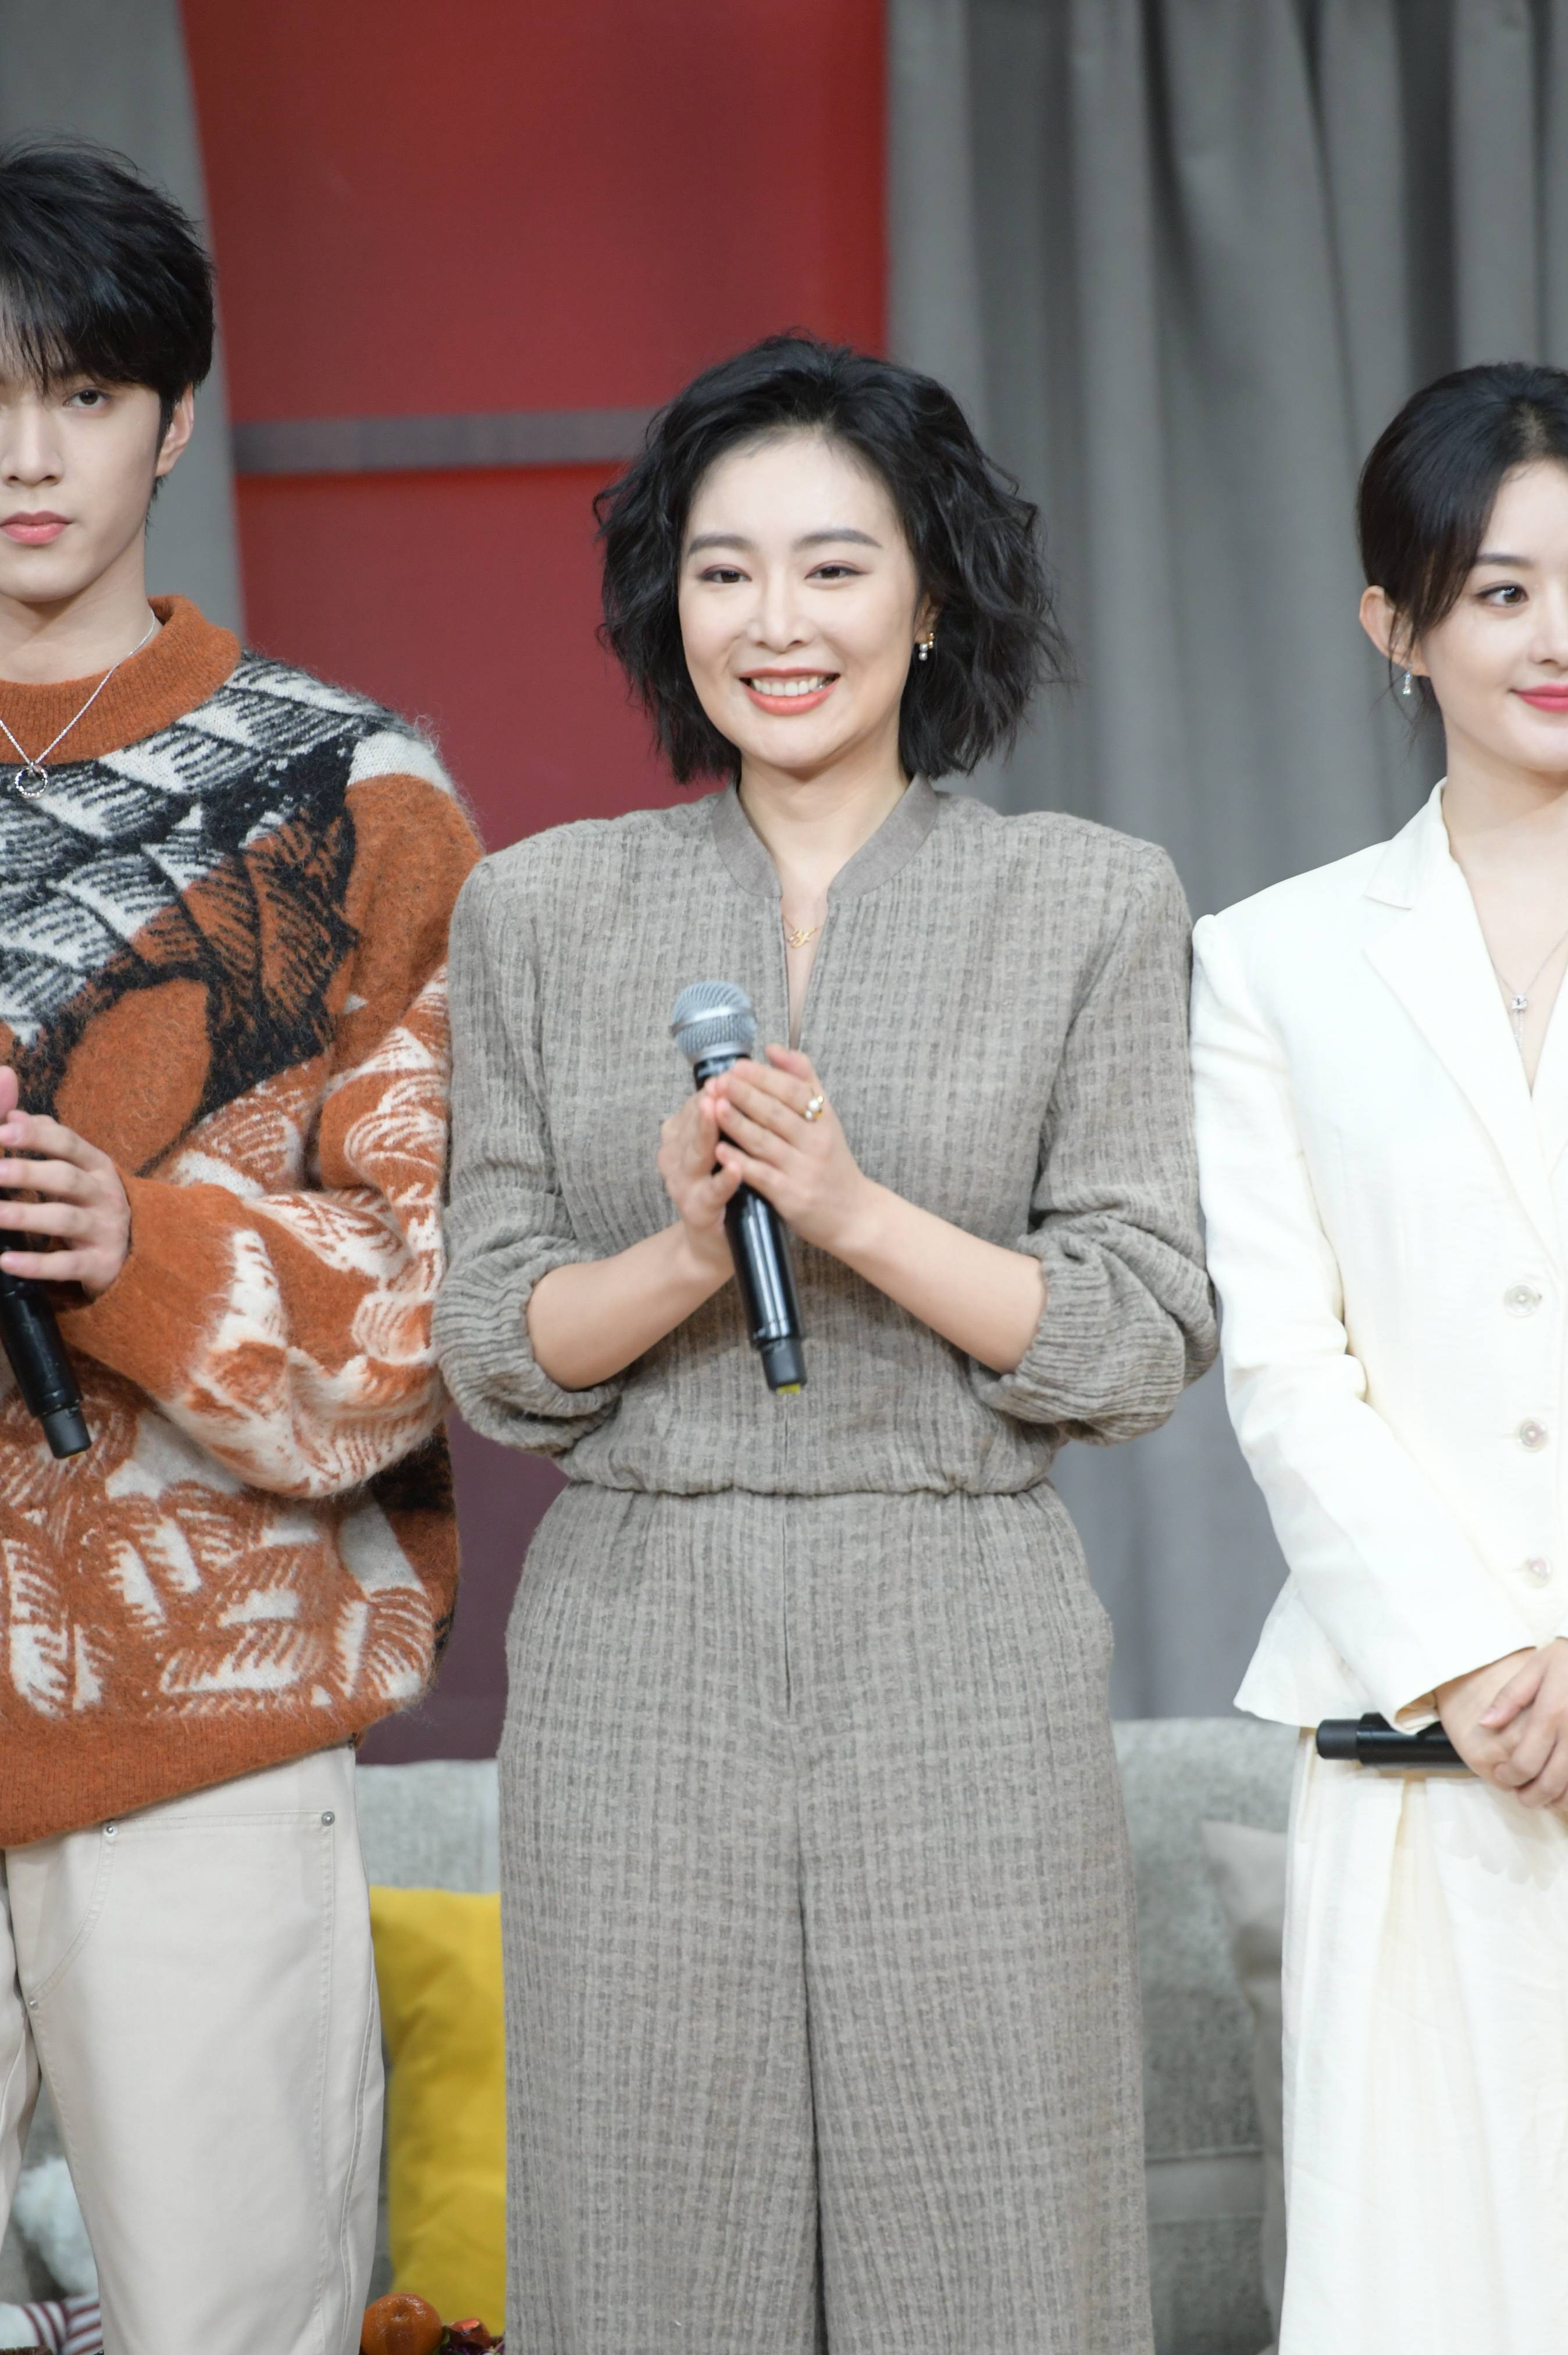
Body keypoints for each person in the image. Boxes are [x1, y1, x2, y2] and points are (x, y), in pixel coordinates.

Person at [435, 333, 1216, 2354]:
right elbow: (495, 1343)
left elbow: (1134, 1335)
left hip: (958, 1626)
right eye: (724, 571)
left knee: (998, 2246)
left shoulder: (1088, 902)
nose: (775, 622)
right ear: (666, 604)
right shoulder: (536, 909)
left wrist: (856, 1215)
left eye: (834, 566)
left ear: (932, 594)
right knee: (647, 2254)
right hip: (642, 1637)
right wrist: (691, 1246)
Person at [0, 143, 479, 2353]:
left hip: (201, 1728)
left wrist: (137, 1246)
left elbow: (434, 1311)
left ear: (176, 418)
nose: (28, 455)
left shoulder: (354, 797)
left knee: (240, 2328)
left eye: (84, 395)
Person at [1191, 361, 1568, 2353]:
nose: (1555, 634)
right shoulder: (1272, 959)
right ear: (1397, 626)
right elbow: (1287, 1368)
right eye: (1502, 589)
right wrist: (1484, 1658)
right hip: (1424, 1746)